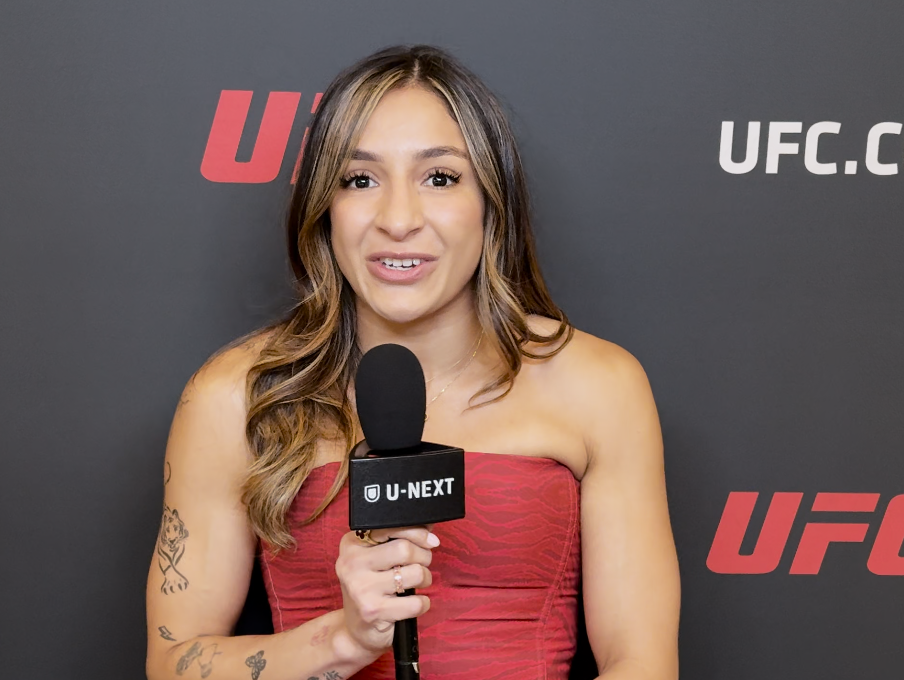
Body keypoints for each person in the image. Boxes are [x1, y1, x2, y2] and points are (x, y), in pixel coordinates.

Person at [146, 44, 679, 680]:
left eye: (440, 178)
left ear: (492, 202)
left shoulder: (598, 384)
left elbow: (642, 662)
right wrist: (342, 640)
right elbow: (173, 663)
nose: (398, 220)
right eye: (360, 180)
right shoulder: (237, 394)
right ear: (324, 207)